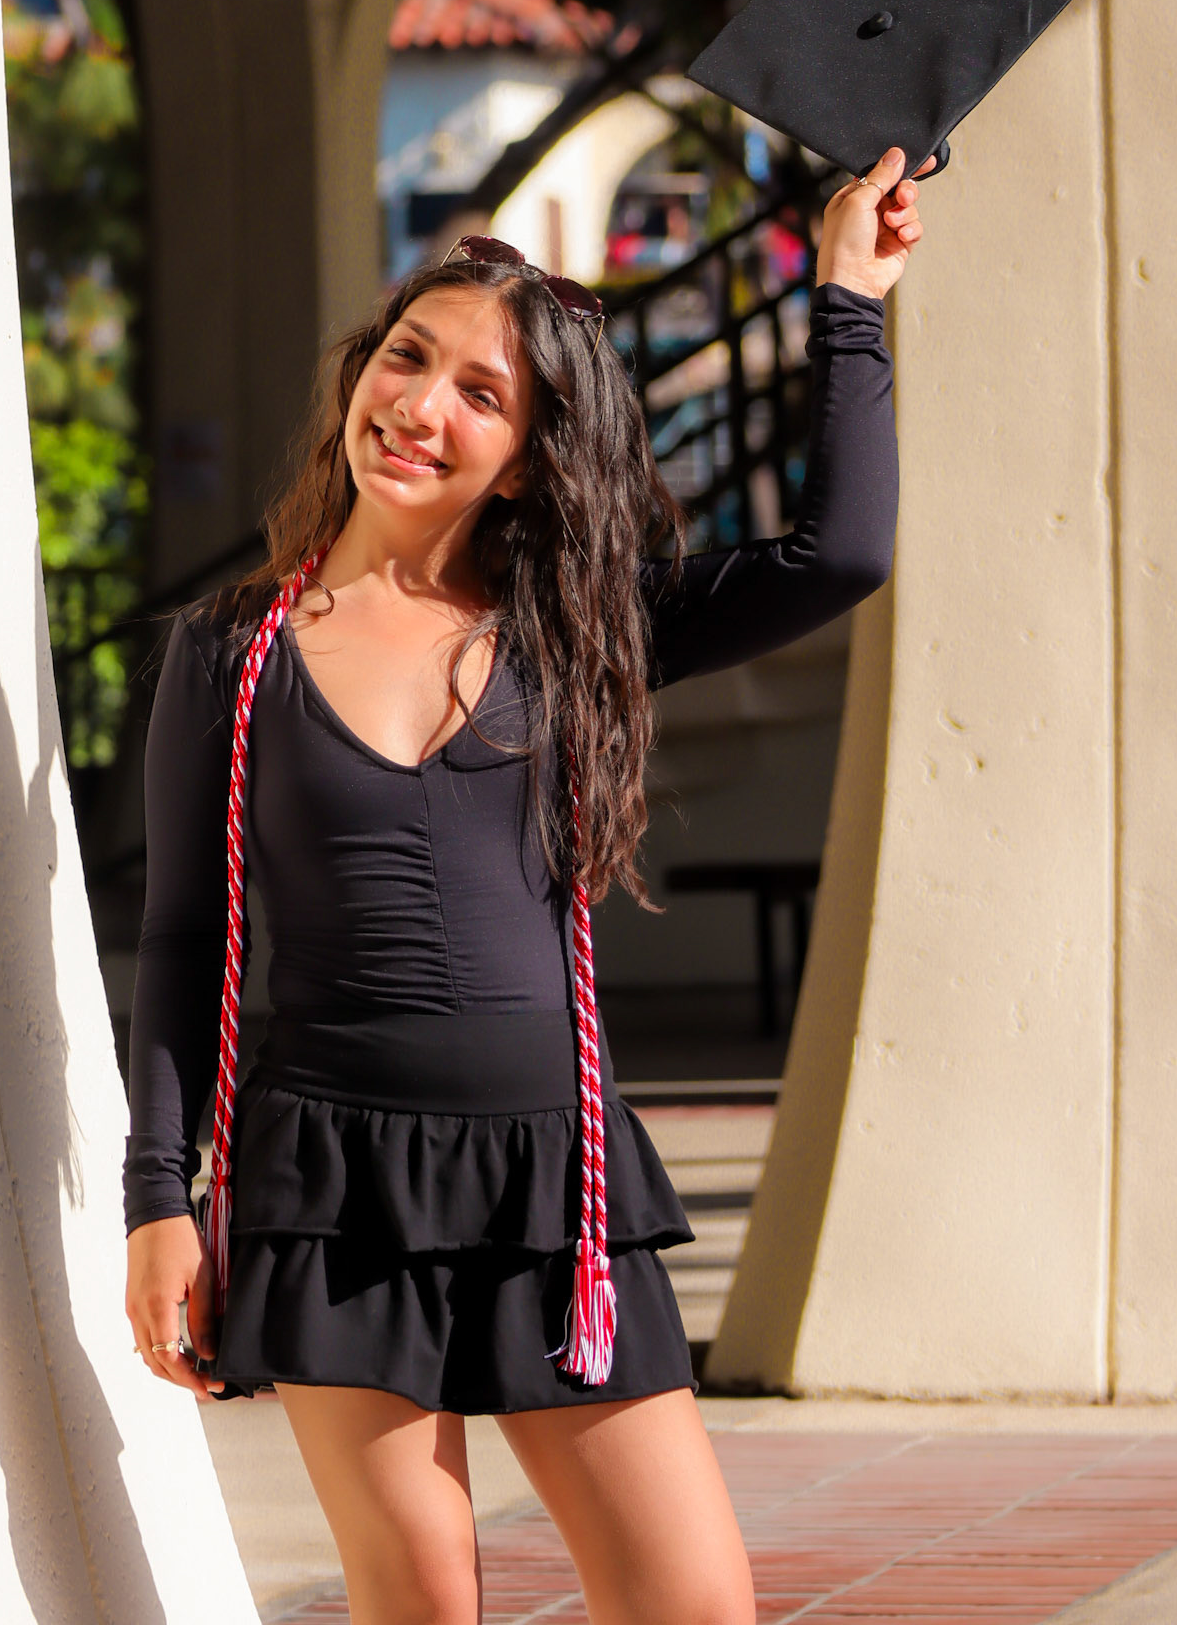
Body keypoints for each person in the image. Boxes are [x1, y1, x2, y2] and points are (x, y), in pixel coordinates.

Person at [124, 145, 929, 1625]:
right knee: (422, 1596)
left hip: (556, 1176)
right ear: (361, 370)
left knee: (691, 1603)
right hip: (328, 1184)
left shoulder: (579, 632)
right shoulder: (230, 654)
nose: (420, 406)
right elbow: (184, 938)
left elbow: (842, 556)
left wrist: (849, 296)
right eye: (407, 357)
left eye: (480, 394)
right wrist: (155, 1199)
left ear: (531, 455)